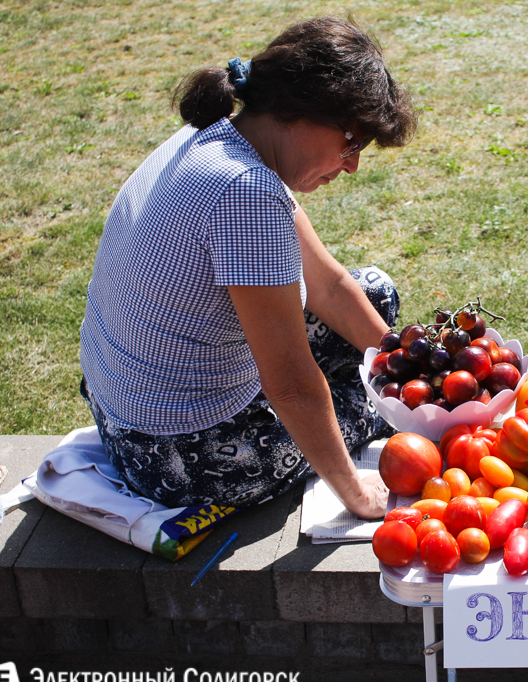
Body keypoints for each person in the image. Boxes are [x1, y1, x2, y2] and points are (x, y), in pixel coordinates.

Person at [78, 17, 416, 519]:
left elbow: (330, 285)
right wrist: (358, 492)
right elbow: (291, 385)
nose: (352, 165)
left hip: (123, 405)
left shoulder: (223, 137)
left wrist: (409, 376)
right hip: (171, 450)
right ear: (298, 113)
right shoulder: (245, 193)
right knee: (363, 405)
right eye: (352, 142)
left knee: (375, 295)